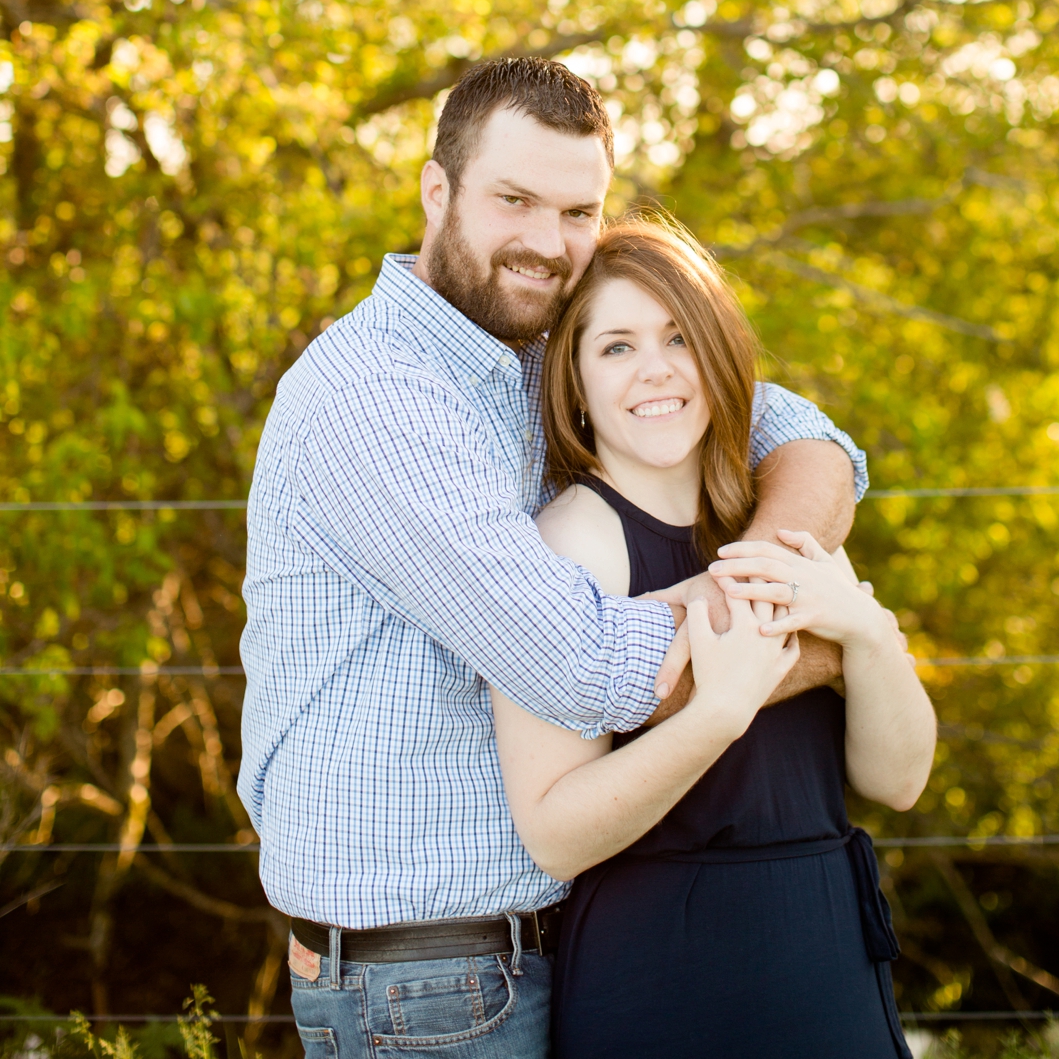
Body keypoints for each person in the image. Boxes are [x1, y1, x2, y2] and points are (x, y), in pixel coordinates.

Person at [240, 57, 870, 1056]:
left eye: (578, 209)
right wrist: (831, 645)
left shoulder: (551, 339)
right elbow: (582, 664)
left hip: (556, 941)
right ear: (437, 191)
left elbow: (808, 440)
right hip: (425, 979)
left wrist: (764, 569)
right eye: (515, 199)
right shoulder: (372, 397)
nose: (548, 240)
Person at [497, 218, 936, 1056]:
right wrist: (716, 713)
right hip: (667, 967)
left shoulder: (779, 525)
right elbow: (554, 831)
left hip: (830, 952)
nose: (656, 368)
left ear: (719, 354)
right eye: (616, 347)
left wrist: (869, 639)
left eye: (677, 337)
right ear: (577, 384)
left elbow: (899, 777)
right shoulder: (569, 543)